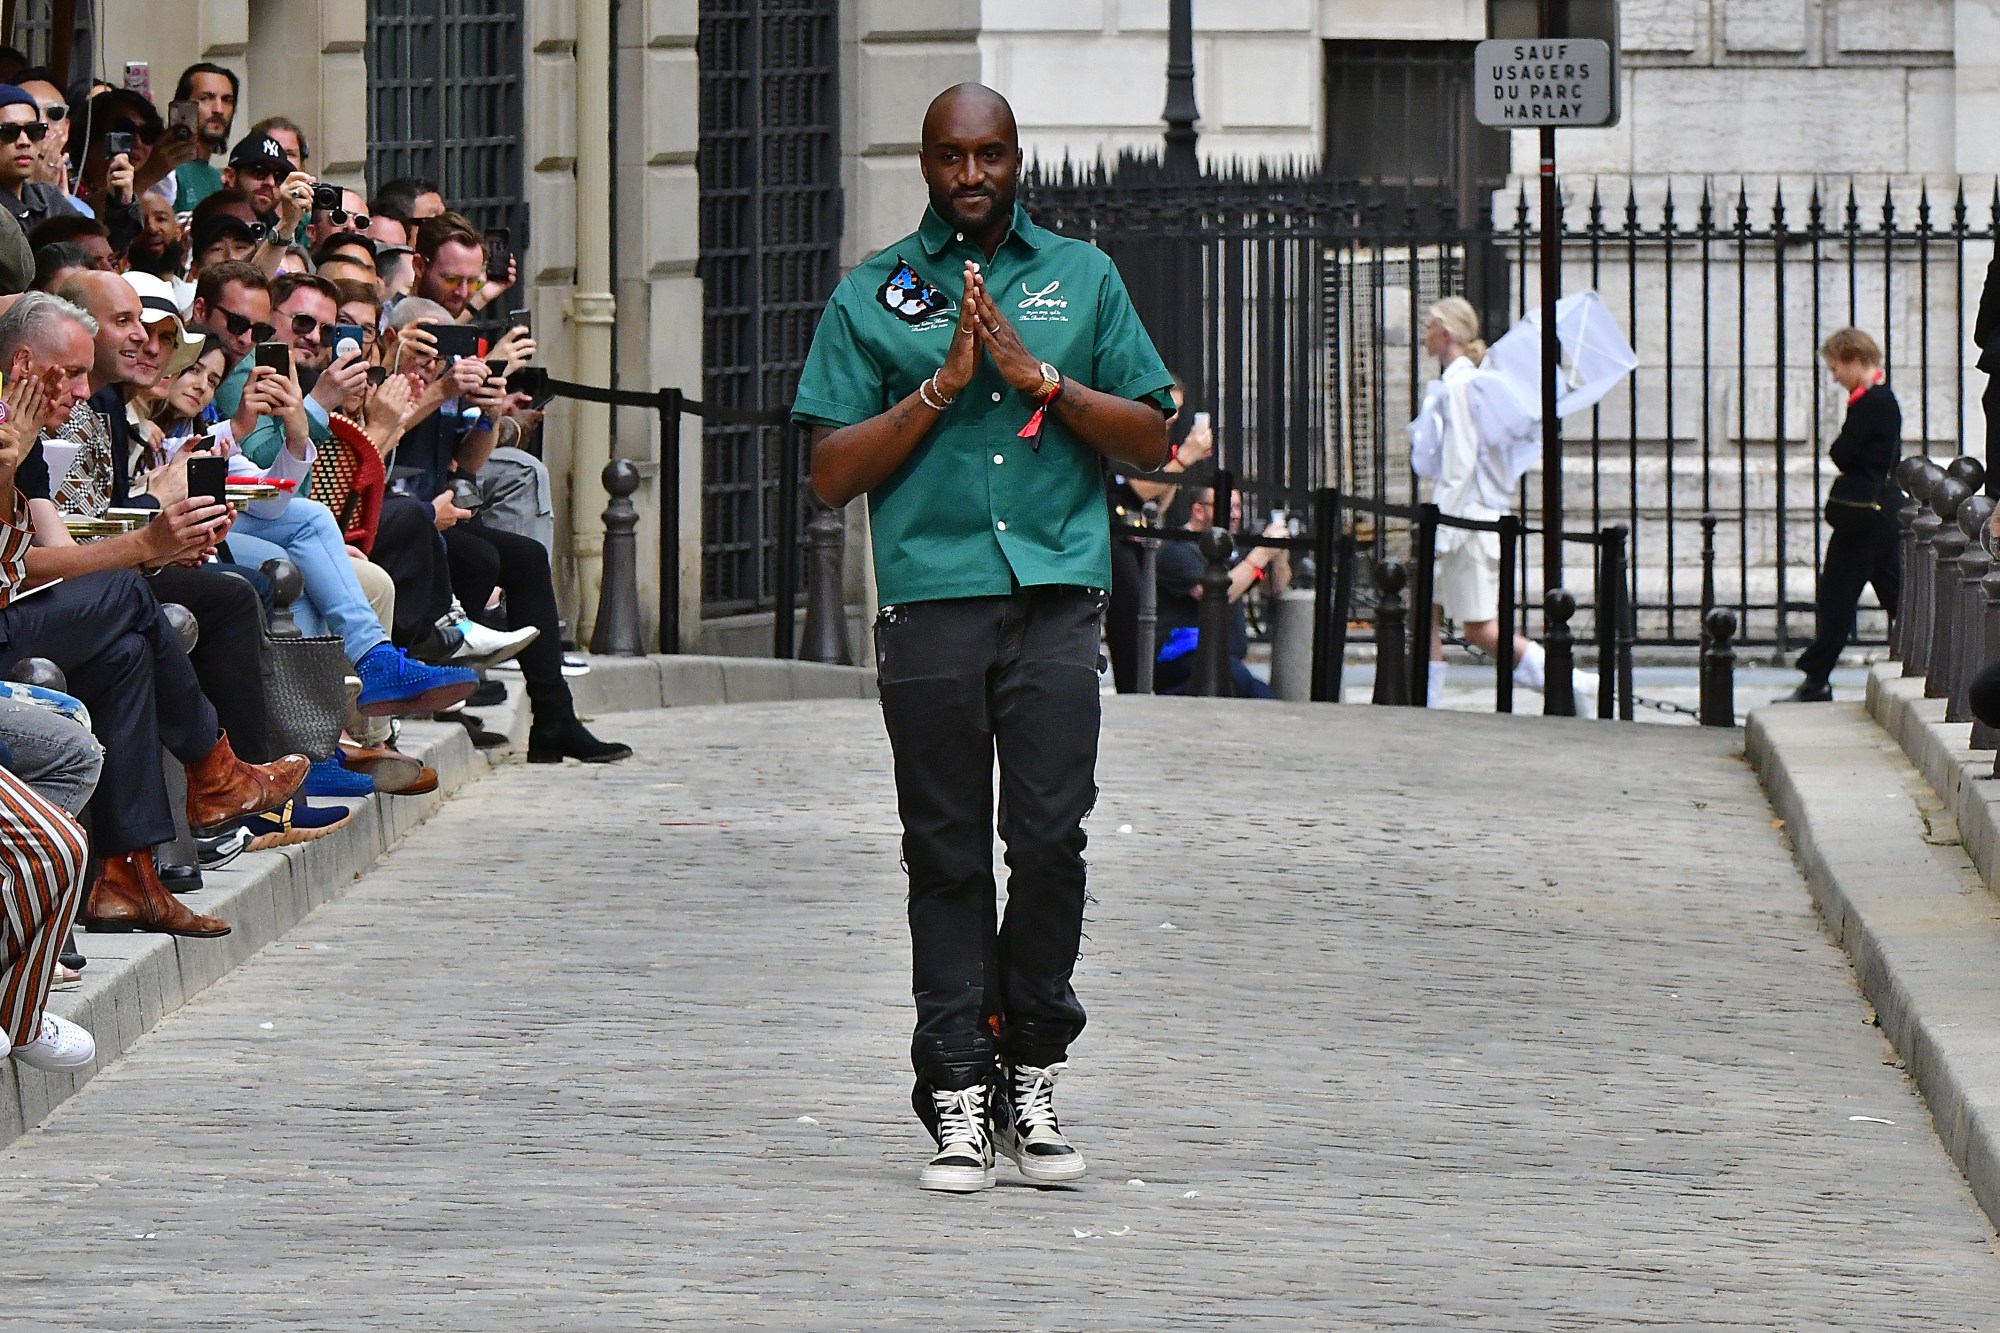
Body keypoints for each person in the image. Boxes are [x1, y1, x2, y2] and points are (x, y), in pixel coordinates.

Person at [793, 83, 1174, 1193]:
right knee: (945, 847)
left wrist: (1036, 382)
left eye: (990, 155)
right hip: (933, 598)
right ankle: (959, 1085)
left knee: (1051, 838)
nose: (971, 176)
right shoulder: (872, 295)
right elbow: (827, 475)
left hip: (1057, 592)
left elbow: (1149, 435)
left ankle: (1033, 1061)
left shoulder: (1082, 277)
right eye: (951, 157)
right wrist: (941, 387)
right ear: (924, 162)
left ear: (1016, 158)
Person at [0, 292, 310, 936]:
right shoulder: (12, 427)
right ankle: (213, 769)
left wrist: (158, 549)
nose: (86, 391)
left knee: (126, 650)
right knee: (129, 595)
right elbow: (17, 570)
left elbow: (42, 554)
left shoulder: (24, 430)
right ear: (25, 364)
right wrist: (142, 549)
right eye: (73, 373)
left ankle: (128, 878)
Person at [1409, 297, 1555, 708]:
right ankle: (1425, 702)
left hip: (1466, 525)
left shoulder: (1461, 386)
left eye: (1429, 326)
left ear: (1447, 333)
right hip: (1461, 520)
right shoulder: (1458, 383)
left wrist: (1442, 531)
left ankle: (1571, 685)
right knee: (1422, 613)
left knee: (1480, 629)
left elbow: (1459, 465)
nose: (1424, 334)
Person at [1781, 327, 1903, 703]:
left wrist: (1842, 448)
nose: (1834, 377)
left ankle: (1816, 678)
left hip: (1864, 517)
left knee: (1837, 593)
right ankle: (1924, 651)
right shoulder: (1877, 399)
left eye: (1836, 367)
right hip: (1881, 513)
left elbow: (1843, 453)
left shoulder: (1872, 402)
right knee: (1898, 593)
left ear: (1854, 360)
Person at [1103, 376, 1212, 692]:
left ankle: (1139, 684)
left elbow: (1156, 501)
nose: (1172, 416)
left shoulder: (1156, 440)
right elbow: (1138, 487)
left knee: (1142, 613)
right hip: (1114, 530)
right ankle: (1132, 686)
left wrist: (1179, 464)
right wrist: (1184, 458)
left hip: (1136, 533)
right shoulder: (1125, 432)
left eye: (1176, 409)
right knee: (1130, 611)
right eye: (1167, 407)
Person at [1151, 483, 1287, 698]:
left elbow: (1274, 588)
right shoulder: (1176, 549)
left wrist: (1278, 555)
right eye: (1227, 508)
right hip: (1179, 657)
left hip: (1224, 658)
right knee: (1243, 683)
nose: (1234, 515)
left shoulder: (1232, 551)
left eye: (1237, 508)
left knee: (1261, 694)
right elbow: (1216, 594)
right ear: (1198, 510)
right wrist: (1261, 553)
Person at [0, 83, 74, 237]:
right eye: (9, 132)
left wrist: (119, 207)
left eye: (34, 131)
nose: (24, 141)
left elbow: (95, 247)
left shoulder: (48, 198)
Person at [169, 62, 239, 214]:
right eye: (206, 98)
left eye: (227, 100)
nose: (218, 110)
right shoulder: (166, 172)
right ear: (182, 107)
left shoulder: (218, 178)